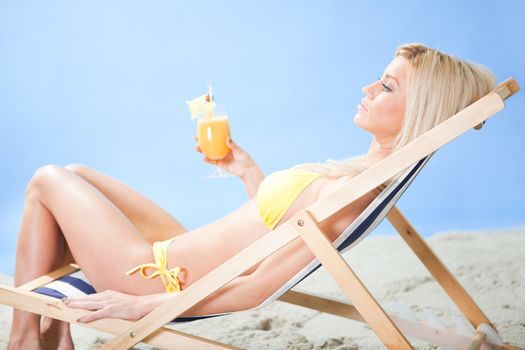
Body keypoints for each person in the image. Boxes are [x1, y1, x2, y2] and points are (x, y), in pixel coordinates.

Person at [7, 43, 496, 349]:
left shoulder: (351, 191)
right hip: (178, 255)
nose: (368, 87)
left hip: (156, 280)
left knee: (48, 179)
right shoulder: (363, 175)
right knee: (77, 175)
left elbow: (259, 286)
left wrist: (144, 307)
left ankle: (26, 336)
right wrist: (247, 171)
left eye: (387, 86)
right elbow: (276, 229)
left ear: (419, 112)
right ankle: (54, 331)